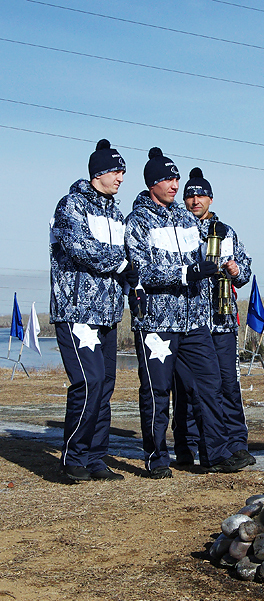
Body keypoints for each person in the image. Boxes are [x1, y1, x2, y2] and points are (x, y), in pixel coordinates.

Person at [124, 147, 250, 478]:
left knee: (209, 385)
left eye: (176, 178)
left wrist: (216, 266)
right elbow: (141, 272)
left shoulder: (185, 220)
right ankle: (157, 458)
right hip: (158, 323)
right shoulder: (137, 222)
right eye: (168, 178)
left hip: (194, 322)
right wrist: (186, 273)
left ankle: (216, 454)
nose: (174, 184)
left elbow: (205, 259)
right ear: (152, 182)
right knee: (158, 393)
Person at [50, 139, 133, 482]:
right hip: (77, 311)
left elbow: (129, 258)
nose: (121, 179)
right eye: (116, 171)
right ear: (98, 172)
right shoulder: (71, 205)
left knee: (105, 386)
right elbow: (80, 248)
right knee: (89, 382)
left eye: (123, 173)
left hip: (108, 313)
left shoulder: (115, 212)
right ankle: (73, 457)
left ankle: (96, 458)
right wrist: (124, 263)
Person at [170, 167, 255, 467]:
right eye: (189, 195)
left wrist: (236, 271)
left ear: (211, 198)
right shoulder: (177, 228)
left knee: (228, 384)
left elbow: (245, 270)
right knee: (189, 388)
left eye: (200, 195)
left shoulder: (226, 231)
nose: (195, 200)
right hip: (190, 321)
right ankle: (186, 445)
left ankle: (235, 444)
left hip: (221, 321)